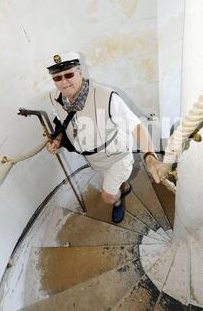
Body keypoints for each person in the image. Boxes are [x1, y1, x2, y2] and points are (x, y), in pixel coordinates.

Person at [46, 51, 161, 223]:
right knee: (113, 181)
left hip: (117, 156)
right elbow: (61, 122)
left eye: (69, 74)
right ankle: (124, 186)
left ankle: (117, 202)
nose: (64, 81)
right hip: (94, 159)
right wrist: (57, 139)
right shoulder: (54, 97)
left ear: (80, 72)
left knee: (108, 196)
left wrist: (150, 155)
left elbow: (136, 126)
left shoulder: (106, 96)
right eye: (57, 78)